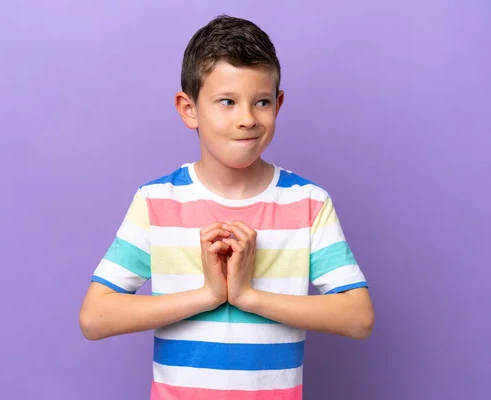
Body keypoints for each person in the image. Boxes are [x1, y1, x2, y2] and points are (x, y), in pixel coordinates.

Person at [79, 14, 374, 400]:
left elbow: (358, 317)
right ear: (189, 109)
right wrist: (207, 295)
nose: (247, 119)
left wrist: (248, 296)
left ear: (278, 104)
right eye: (227, 102)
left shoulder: (308, 203)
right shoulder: (156, 202)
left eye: (262, 102)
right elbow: (94, 318)